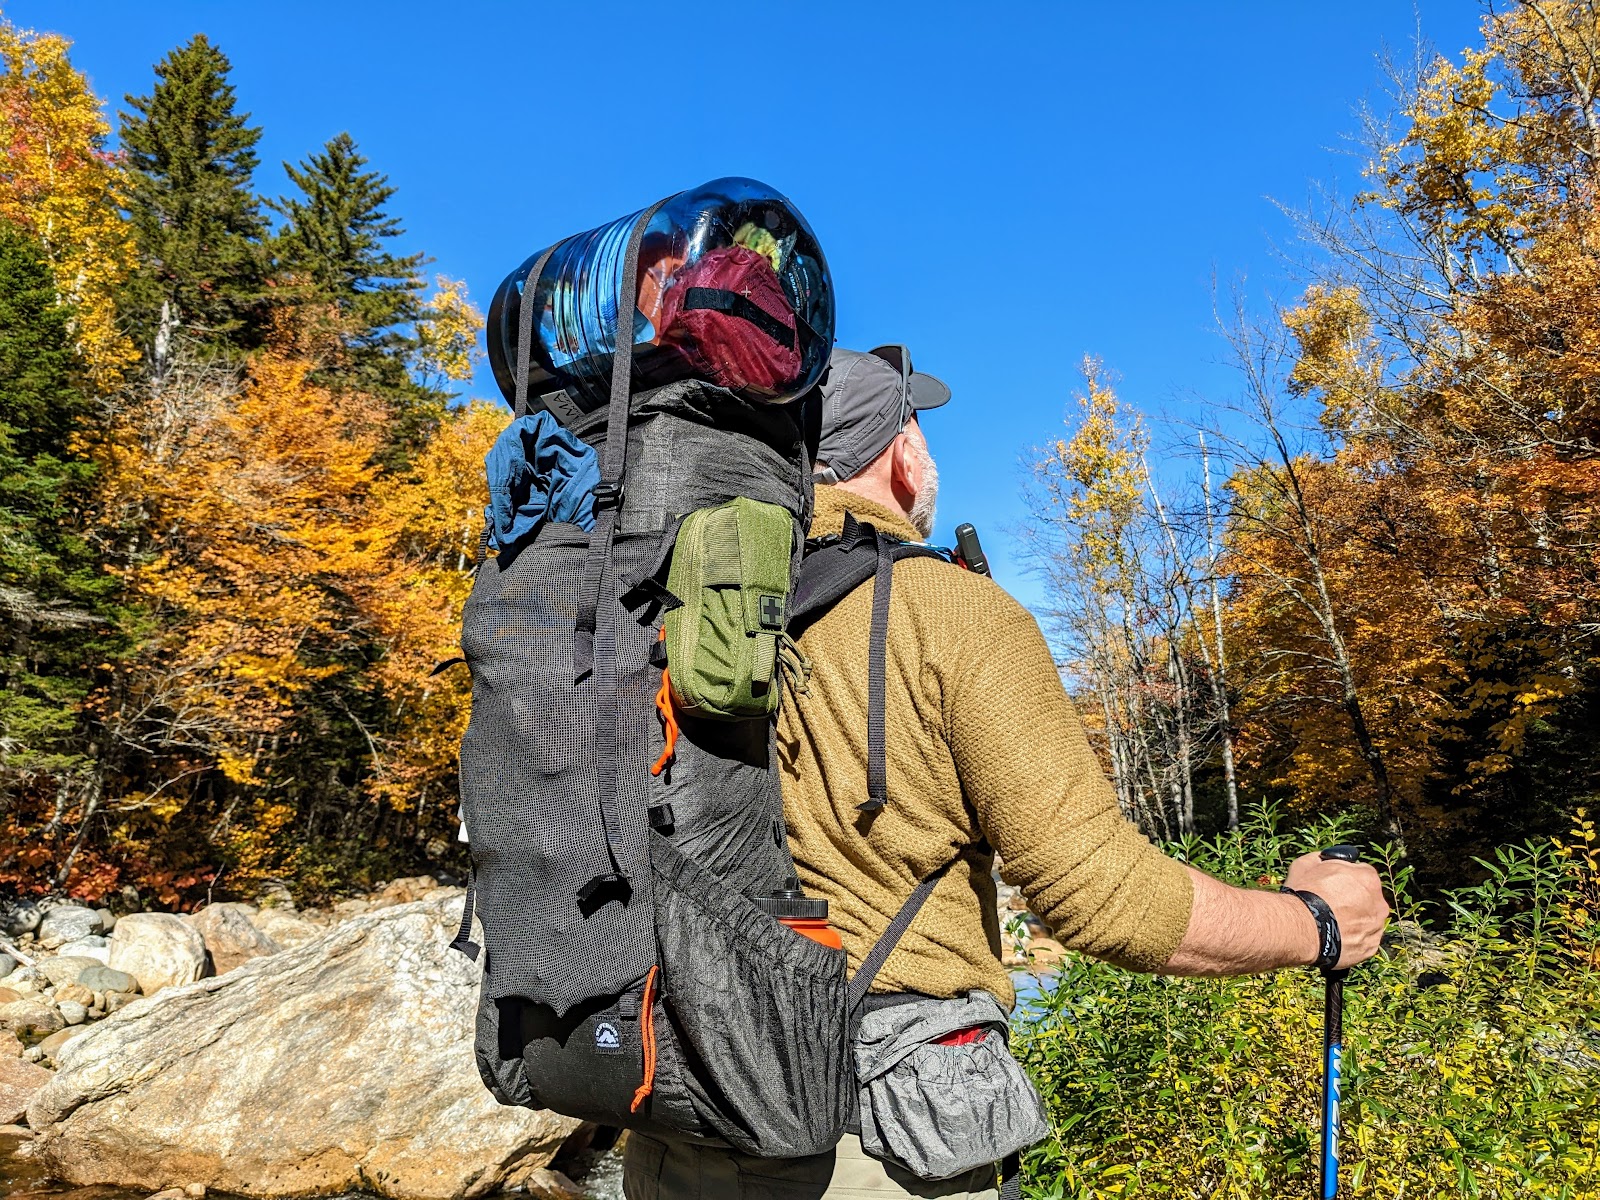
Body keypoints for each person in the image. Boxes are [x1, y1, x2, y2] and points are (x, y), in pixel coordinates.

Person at [622, 345, 1391, 1200]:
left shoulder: (668, 616)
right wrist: (1320, 922)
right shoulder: (950, 612)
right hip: (872, 1144)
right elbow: (1106, 900)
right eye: (920, 428)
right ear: (903, 455)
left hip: (682, 1108)